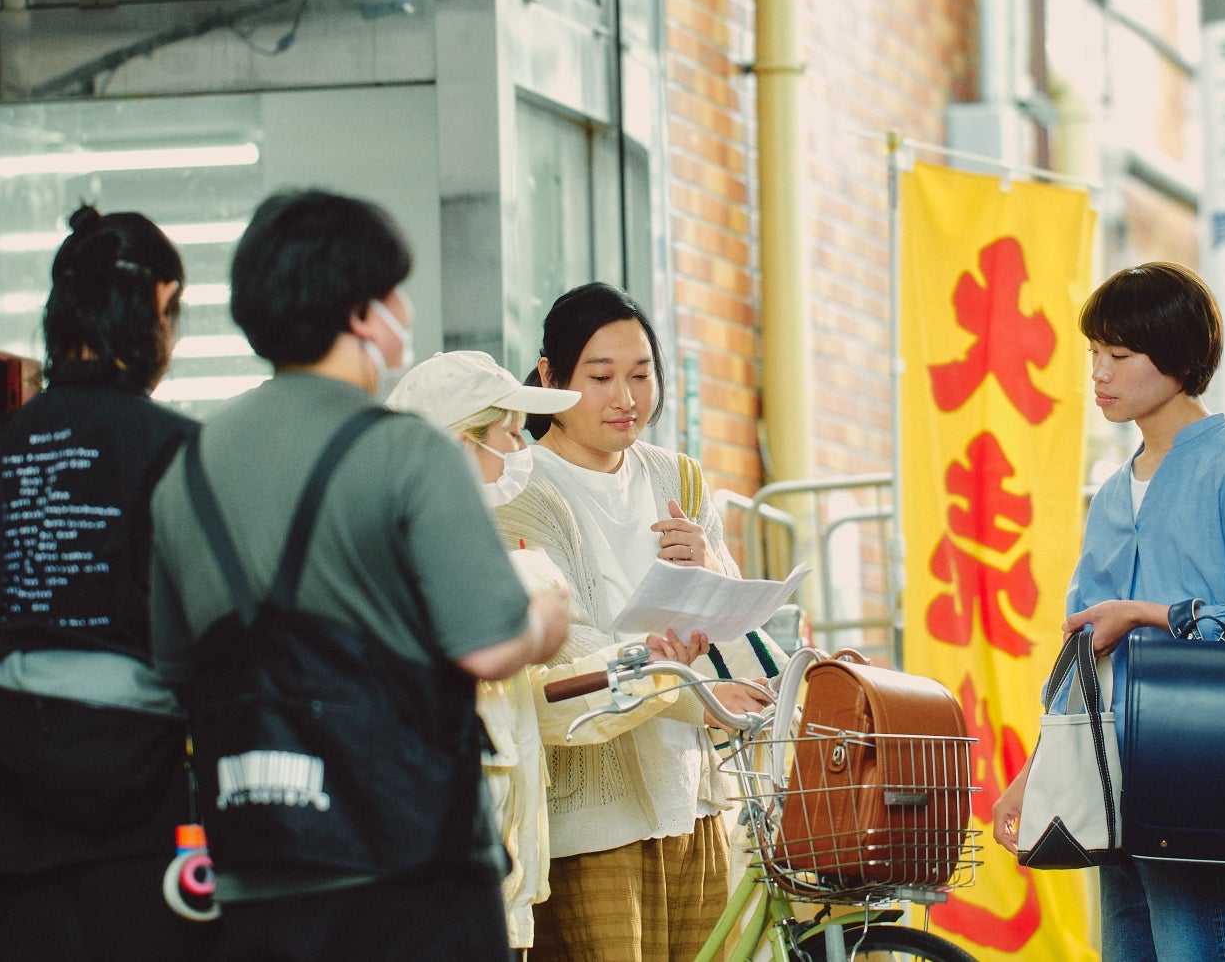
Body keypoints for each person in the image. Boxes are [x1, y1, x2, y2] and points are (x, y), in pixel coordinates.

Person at [145, 189, 569, 962]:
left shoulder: (187, 470)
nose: (405, 311)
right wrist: (547, 612)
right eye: (396, 292)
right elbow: (490, 645)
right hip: (410, 868)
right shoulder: (410, 453)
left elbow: (175, 669)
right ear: (364, 314)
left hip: (257, 859)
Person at [989, 261, 1225, 961]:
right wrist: (1033, 773)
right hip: (1111, 780)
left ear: (1176, 356)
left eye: (1119, 354)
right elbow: (1082, 654)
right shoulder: (1112, 493)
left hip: (1208, 778)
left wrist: (1149, 613)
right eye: (1093, 355)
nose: (1099, 373)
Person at [0, 205, 213, 961]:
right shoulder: (178, 451)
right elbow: (217, 638)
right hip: (148, 827)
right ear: (157, 302)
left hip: (5, 832)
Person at [495, 282, 768, 962]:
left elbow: (731, 619)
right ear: (551, 376)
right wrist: (687, 694)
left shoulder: (681, 477)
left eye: (642, 374)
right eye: (602, 376)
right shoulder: (522, 491)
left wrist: (708, 565)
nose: (627, 397)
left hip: (695, 798)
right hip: (592, 816)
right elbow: (565, 651)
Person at [386, 349, 582, 954]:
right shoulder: (419, 563)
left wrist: (648, 670)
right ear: (461, 444)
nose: (522, 450)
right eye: (512, 432)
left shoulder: (473, 557)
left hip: (497, 891)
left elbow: (535, 706)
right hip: (455, 890)